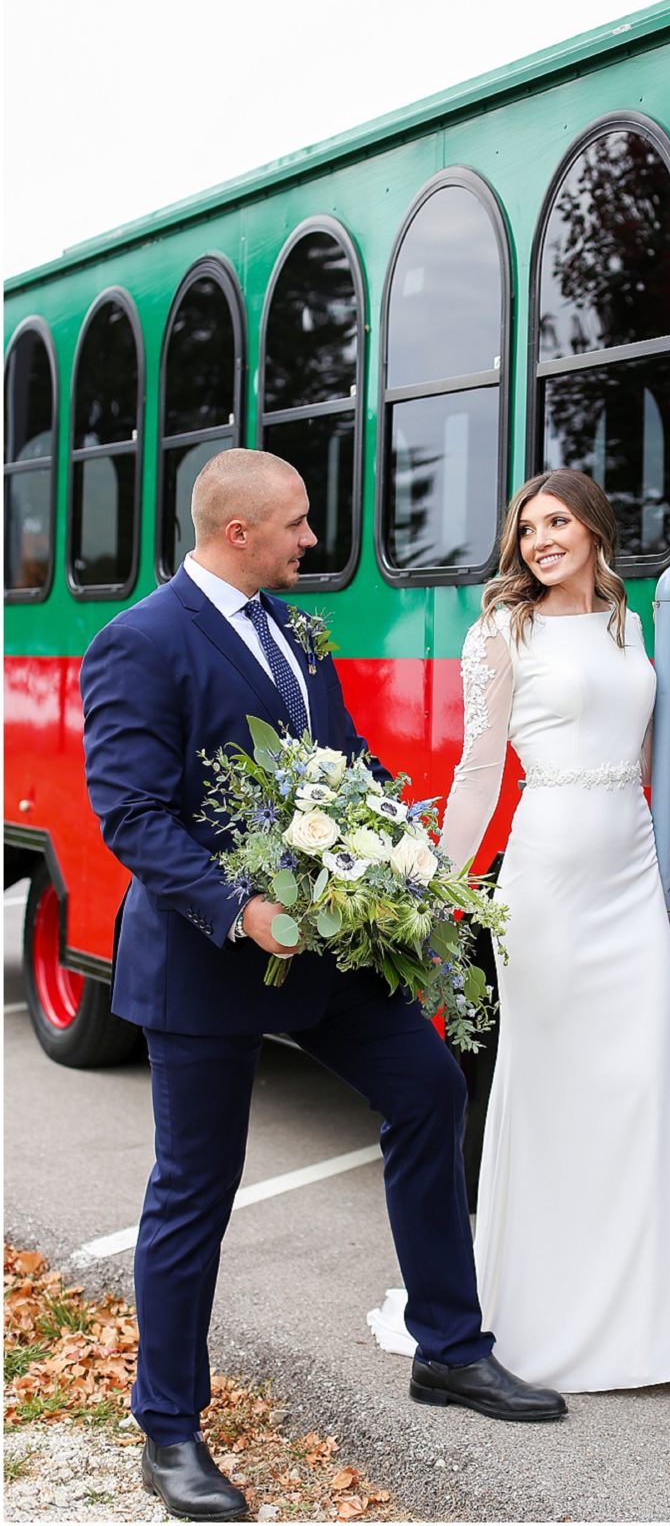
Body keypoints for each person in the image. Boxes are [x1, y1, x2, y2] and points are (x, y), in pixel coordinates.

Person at [80, 449, 565, 1525]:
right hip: (208, 964)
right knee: (192, 1195)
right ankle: (167, 1430)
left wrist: (404, 853)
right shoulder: (140, 640)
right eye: (297, 524)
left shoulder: (296, 631)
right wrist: (238, 909)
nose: (312, 540)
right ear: (239, 530)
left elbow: (339, 761)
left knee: (431, 1088)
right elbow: (132, 814)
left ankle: (449, 1347)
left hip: (334, 953)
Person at [438, 469, 670, 1392]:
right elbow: (480, 772)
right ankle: (533, 1321)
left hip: (628, 870)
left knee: (637, 1085)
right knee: (551, 1090)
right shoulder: (500, 631)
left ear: (596, 527)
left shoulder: (628, 625)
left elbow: (649, 748)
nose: (540, 541)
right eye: (527, 530)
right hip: (547, 876)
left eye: (556, 522)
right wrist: (439, 888)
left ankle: (648, 1331)